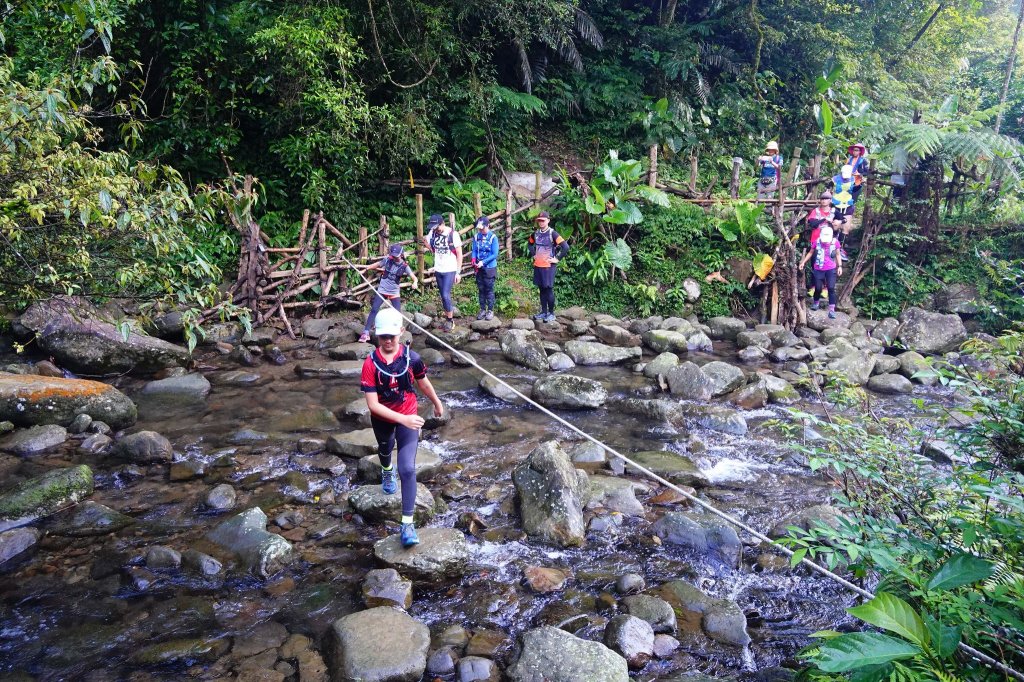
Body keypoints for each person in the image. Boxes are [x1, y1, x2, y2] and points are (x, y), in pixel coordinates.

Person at [360, 307, 445, 547]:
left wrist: (436, 403)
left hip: (408, 414)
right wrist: (402, 419)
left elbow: (423, 384)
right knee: (385, 449)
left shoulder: (412, 359)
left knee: (407, 468)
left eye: (392, 336)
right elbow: (373, 405)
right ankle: (386, 470)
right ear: (376, 334)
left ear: (401, 332)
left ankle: (407, 524)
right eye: (383, 336)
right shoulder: (370, 364)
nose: (387, 341)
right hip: (385, 418)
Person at [359, 244, 418, 343]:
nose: (394, 257)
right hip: (382, 289)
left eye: (397, 255)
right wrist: (367, 268)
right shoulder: (387, 259)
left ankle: (397, 332)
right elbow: (378, 264)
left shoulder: (404, 266)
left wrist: (415, 282)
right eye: (393, 255)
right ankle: (366, 333)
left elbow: (414, 277)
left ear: (401, 254)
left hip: (394, 292)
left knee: (397, 314)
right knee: (374, 309)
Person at [527, 211, 568, 323]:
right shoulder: (535, 234)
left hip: (549, 267)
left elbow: (565, 247)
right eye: (539, 220)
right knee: (541, 289)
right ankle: (543, 312)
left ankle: (551, 313)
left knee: (548, 289)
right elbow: (529, 244)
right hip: (538, 265)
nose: (541, 222)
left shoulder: (553, 233)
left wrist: (557, 259)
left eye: (543, 220)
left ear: (548, 221)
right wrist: (534, 254)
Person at [425, 213, 463, 332]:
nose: (435, 229)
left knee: (446, 295)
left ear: (443, 223)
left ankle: (450, 321)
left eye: (437, 226)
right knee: (443, 296)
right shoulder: (433, 233)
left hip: (450, 269)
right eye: (433, 227)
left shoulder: (453, 234)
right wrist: (426, 244)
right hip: (438, 268)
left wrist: (458, 272)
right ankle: (447, 318)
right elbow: (430, 245)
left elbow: (459, 254)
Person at [799, 225, 843, 319]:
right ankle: (816, 303)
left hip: (831, 269)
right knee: (818, 288)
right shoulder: (817, 242)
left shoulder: (835, 243)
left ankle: (832, 310)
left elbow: (838, 254)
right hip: (818, 268)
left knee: (831, 288)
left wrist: (840, 266)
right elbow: (811, 252)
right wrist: (803, 262)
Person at [471, 215, 500, 320]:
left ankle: (490, 311)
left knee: (489, 289)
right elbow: (474, 250)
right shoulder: (476, 237)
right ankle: (482, 309)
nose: (481, 230)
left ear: (488, 225)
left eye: (482, 227)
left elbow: (495, 254)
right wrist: (473, 260)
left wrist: (483, 262)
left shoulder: (493, 238)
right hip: (478, 267)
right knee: (481, 289)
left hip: (489, 268)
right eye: (479, 228)